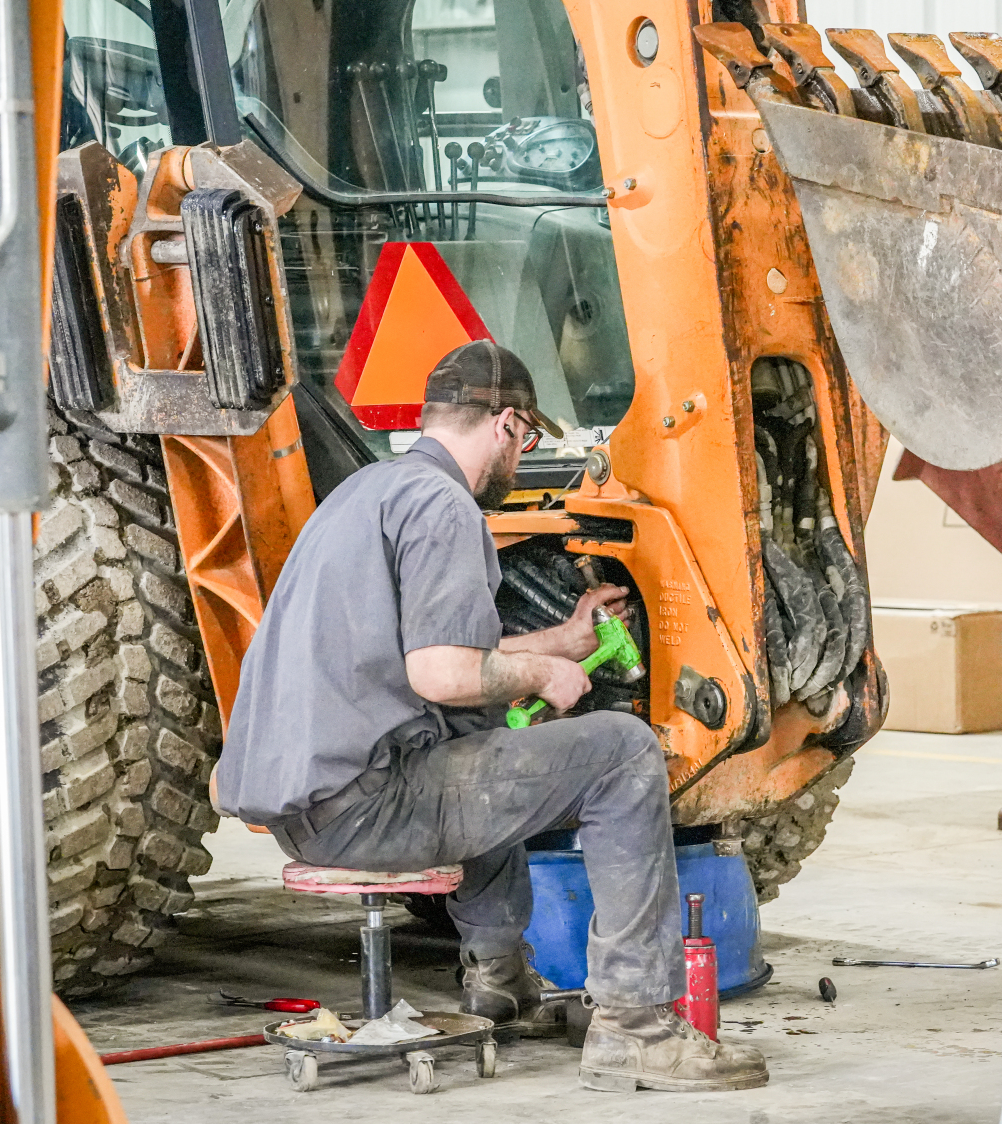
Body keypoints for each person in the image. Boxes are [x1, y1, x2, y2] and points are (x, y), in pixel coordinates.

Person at [214, 341, 767, 1093]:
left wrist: (560, 641)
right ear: (507, 424)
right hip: (368, 807)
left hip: (315, 803)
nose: (521, 452)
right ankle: (638, 1025)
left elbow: (437, 656)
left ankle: (500, 984)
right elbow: (442, 672)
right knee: (623, 752)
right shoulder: (446, 507)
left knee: (484, 746)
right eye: (527, 437)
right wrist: (548, 674)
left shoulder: (371, 491)